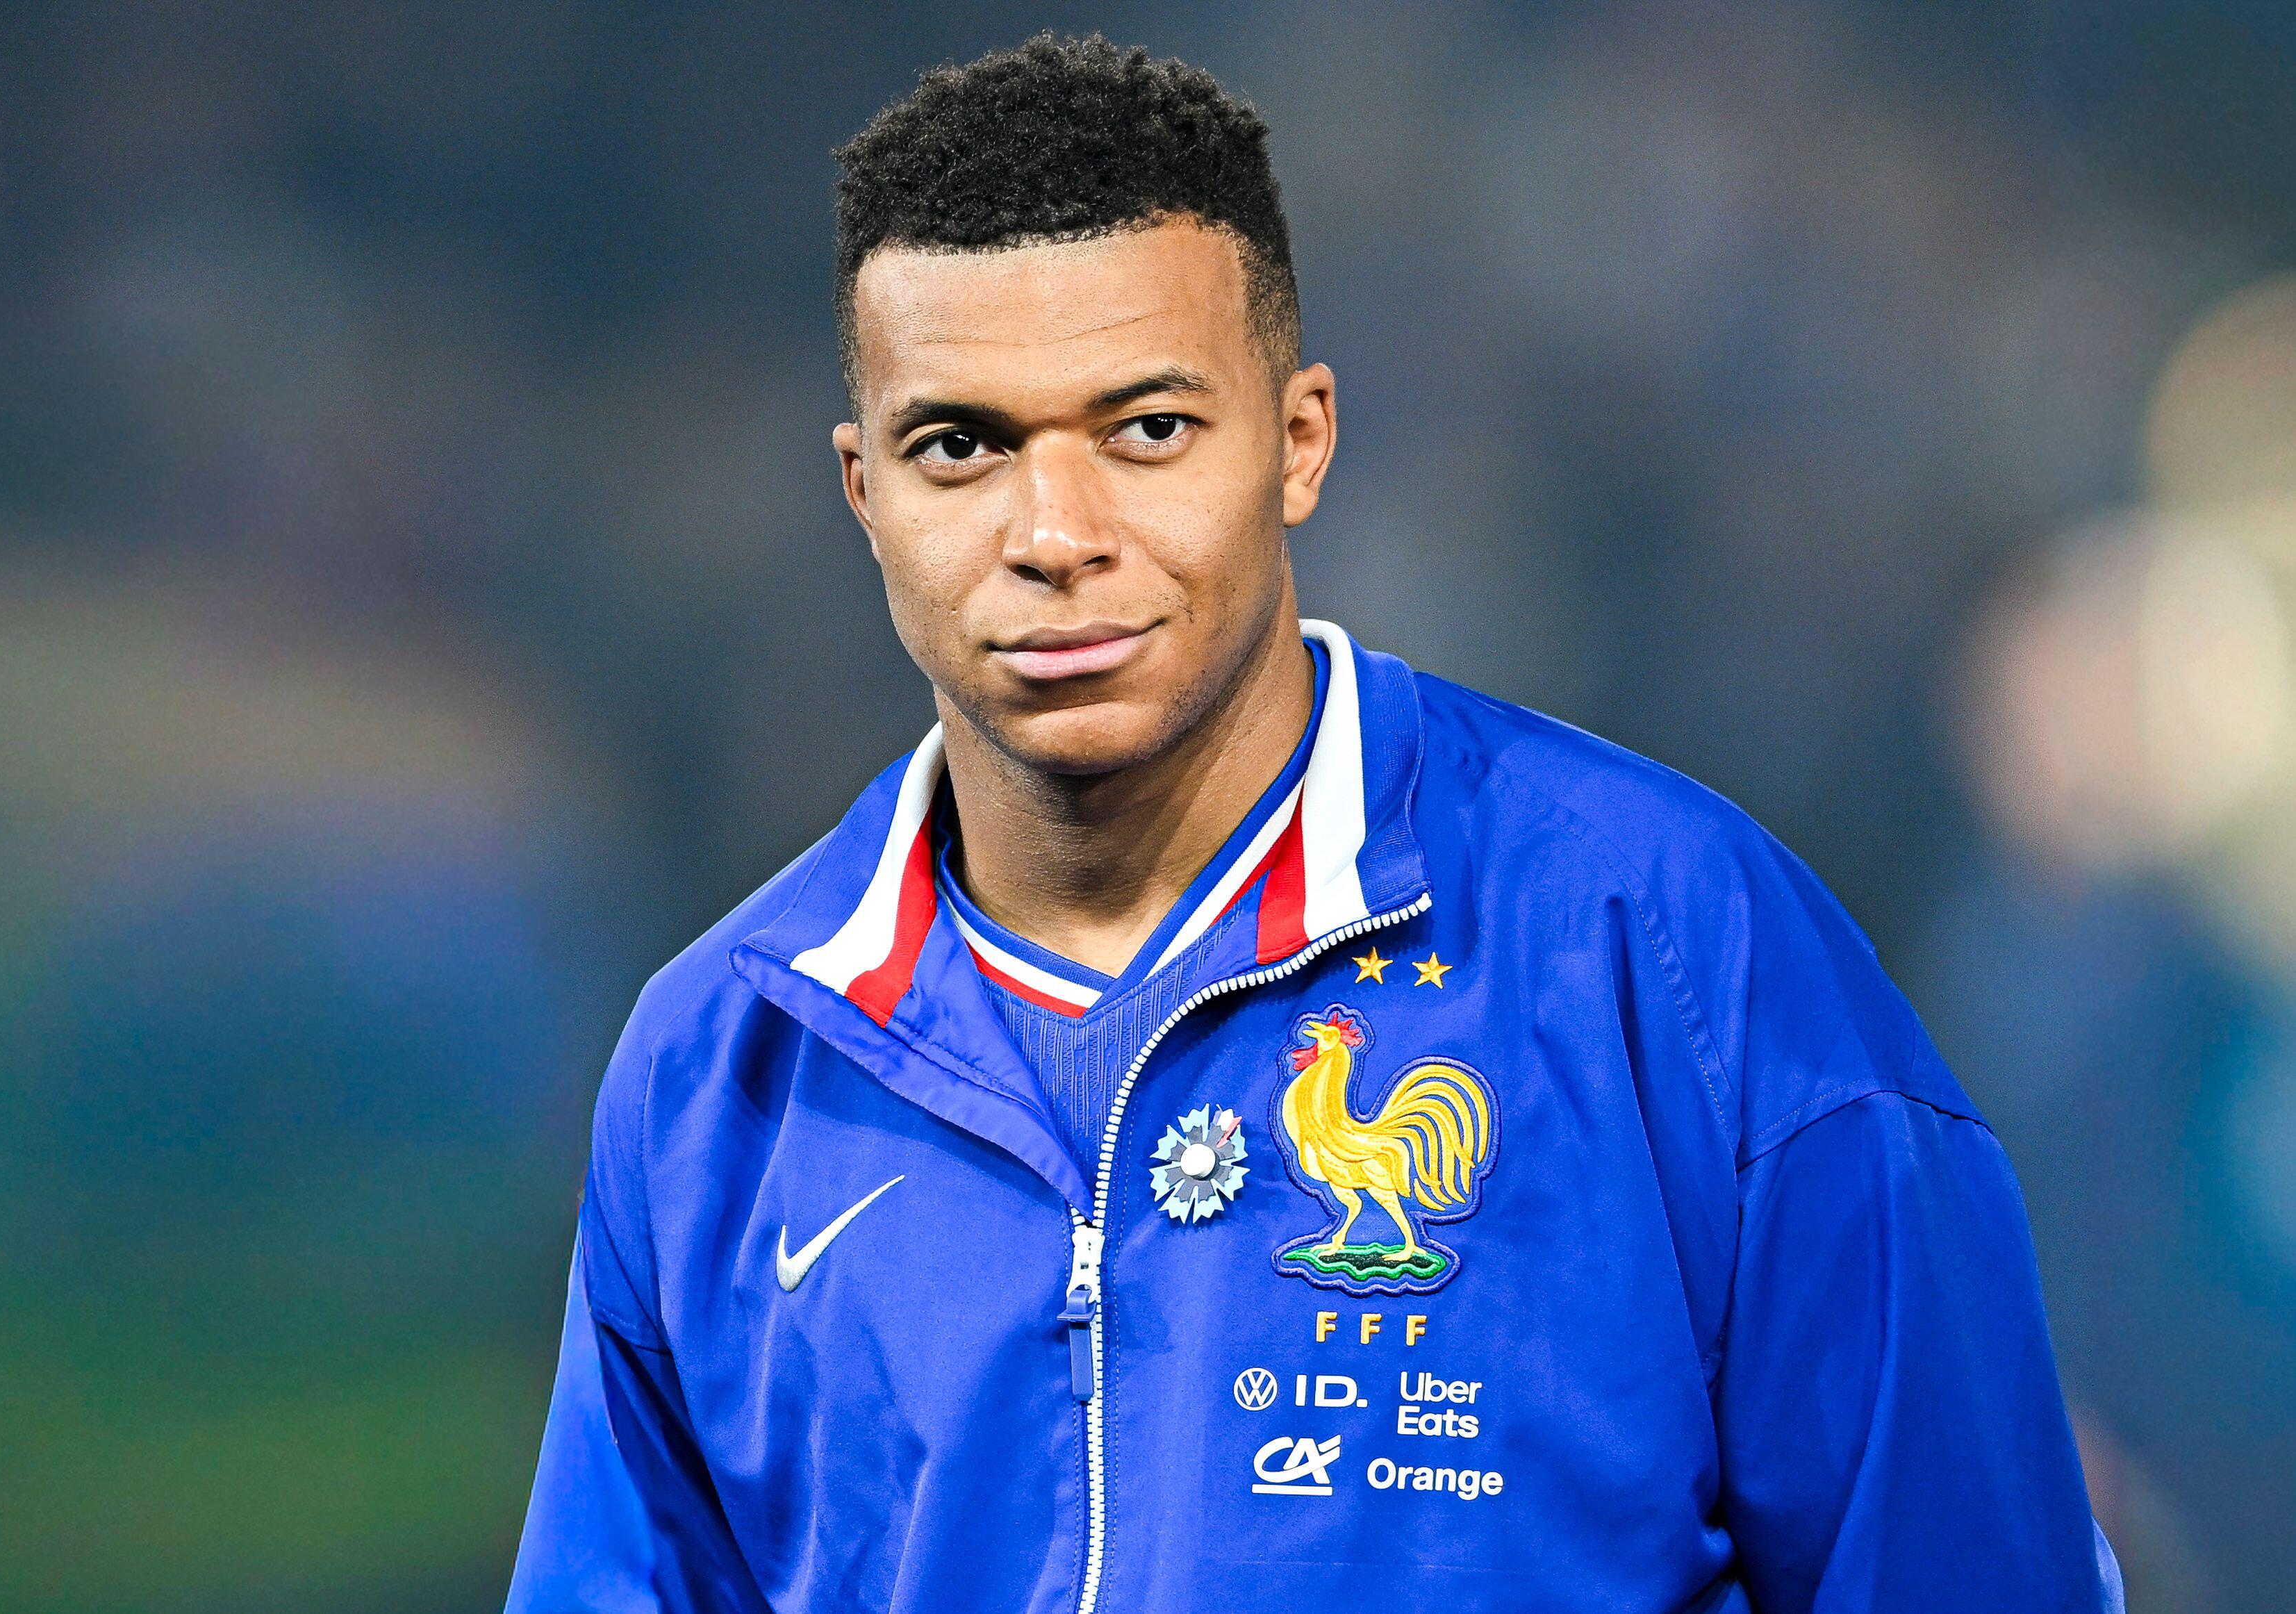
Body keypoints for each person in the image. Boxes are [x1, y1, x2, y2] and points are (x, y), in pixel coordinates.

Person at [506, 34, 2124, 1614]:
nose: (1055, 533)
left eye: (1146, 430)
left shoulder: (1682, 952)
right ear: (864, 492)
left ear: (1300, 442)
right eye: (963, 447)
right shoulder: (722, 1062)